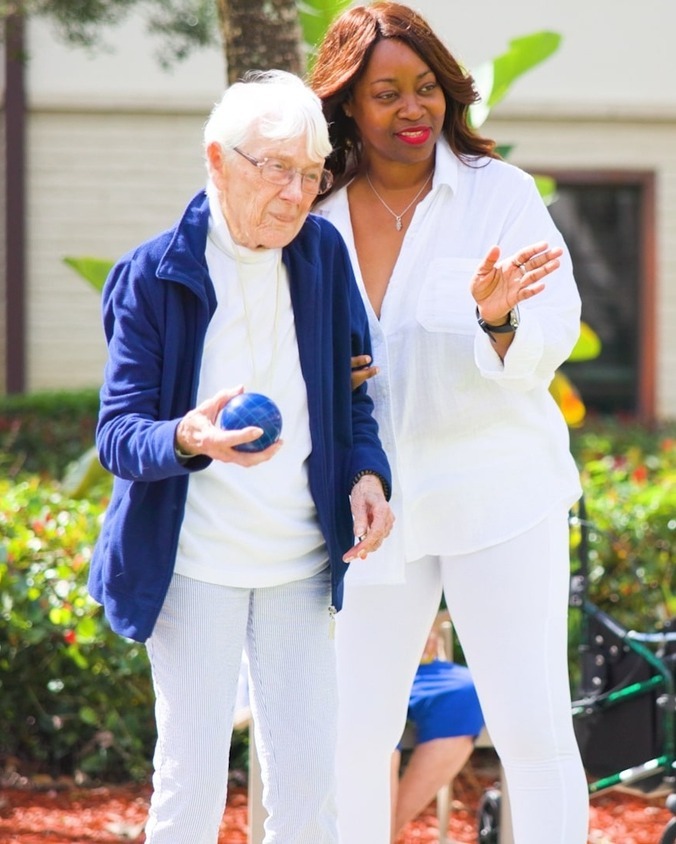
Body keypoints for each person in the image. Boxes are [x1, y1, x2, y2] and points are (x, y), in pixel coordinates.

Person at [88, 69, 394, 844]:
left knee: (306, 787)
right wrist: (191, 435)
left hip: (297, 562)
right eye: (276, 169)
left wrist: (365, 476)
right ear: (218, 160)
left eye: (310, 173)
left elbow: (352, 398)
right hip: (195, 564)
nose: (296, 194)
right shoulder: (154, 277)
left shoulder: (322, 258)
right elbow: (118, 434)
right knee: (190, 785)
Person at [310, 4, 589, 843]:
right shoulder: (313, 213)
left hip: (499, 499)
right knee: (350, 737)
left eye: (426, 88)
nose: (412, 110)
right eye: (386, 92)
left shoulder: (497, 195)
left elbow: (556, 326)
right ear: (348, 106)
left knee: (531, 732)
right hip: (368, 511)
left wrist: (499, 319)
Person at [391, 615, 484, 843]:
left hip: (420, 668)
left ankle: (386, 834)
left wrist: (429, 620)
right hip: (354, 661)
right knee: (374, 722)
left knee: (466, 696)